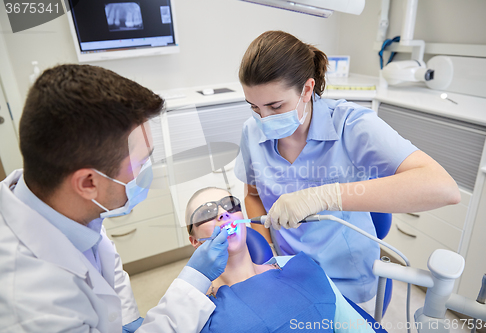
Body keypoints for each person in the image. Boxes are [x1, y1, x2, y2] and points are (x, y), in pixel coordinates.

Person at [234, 30, 461, 312]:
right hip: (289, 270)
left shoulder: (350, 125)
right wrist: (268, 256)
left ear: (306, 89)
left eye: (275, 106)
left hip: (348, 278)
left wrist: (325, 196)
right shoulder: (251, 131)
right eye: (254, 107)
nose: (263, 119)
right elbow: (253, 196)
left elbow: (443, 187)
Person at [0, 64, 228, 332]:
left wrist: (128, 316)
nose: (147, 173)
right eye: (140, 163)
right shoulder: (30, 302)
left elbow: (104, 268)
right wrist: (194, 279)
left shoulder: (62, 202)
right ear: (88, 183)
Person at [185, 187, 376, 333]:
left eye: (229, 205)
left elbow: (355, 328)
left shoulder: (298, 267)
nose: (223, 213)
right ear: (195, 241)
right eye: (207, 212)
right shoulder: (197, 308)